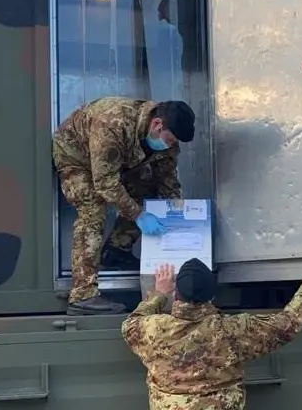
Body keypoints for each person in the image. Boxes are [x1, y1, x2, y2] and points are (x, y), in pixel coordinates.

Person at [121, 259, 302, 409]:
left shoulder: (153, 330)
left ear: (176, 294)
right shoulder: (232, 329)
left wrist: (159, 294)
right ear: (212, 296)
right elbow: (286, 324)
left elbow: (131, 323)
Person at [53, 97, 196, 315]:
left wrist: (177, 210)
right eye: (170, 140)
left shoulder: (165, 140)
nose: (171, 145)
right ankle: (83, 294)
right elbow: (105, 183)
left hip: (115, 161)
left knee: (147, 188)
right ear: (157, 125)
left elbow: (166, 178)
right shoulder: (113, 123)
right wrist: (139, 215)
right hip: (76, 156)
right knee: (93, 208)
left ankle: (116, 251)